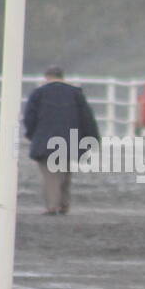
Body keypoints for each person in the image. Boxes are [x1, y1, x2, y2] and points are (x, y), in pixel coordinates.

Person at [23, 66, 99, 215]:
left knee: (51, 175)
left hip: (45, 139)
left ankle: (52, 206)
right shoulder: (75, 93)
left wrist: (33, 135)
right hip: (69, 139)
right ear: (62, 77)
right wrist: (92, 138)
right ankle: (64, 204)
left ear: (47, 77)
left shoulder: (39, 93)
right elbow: (87, 118)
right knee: (64, 173)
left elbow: (29, 118)